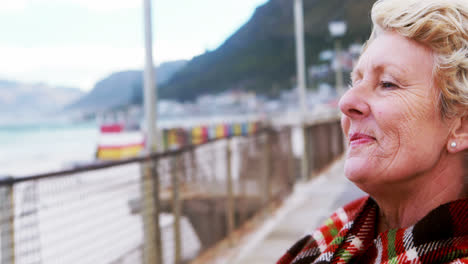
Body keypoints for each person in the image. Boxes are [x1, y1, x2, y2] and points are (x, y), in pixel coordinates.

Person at [277, 0, 468, 263]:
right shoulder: (335, 233)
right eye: (355, 82)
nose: (346, 102)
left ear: (461, 126)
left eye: (387, 84)